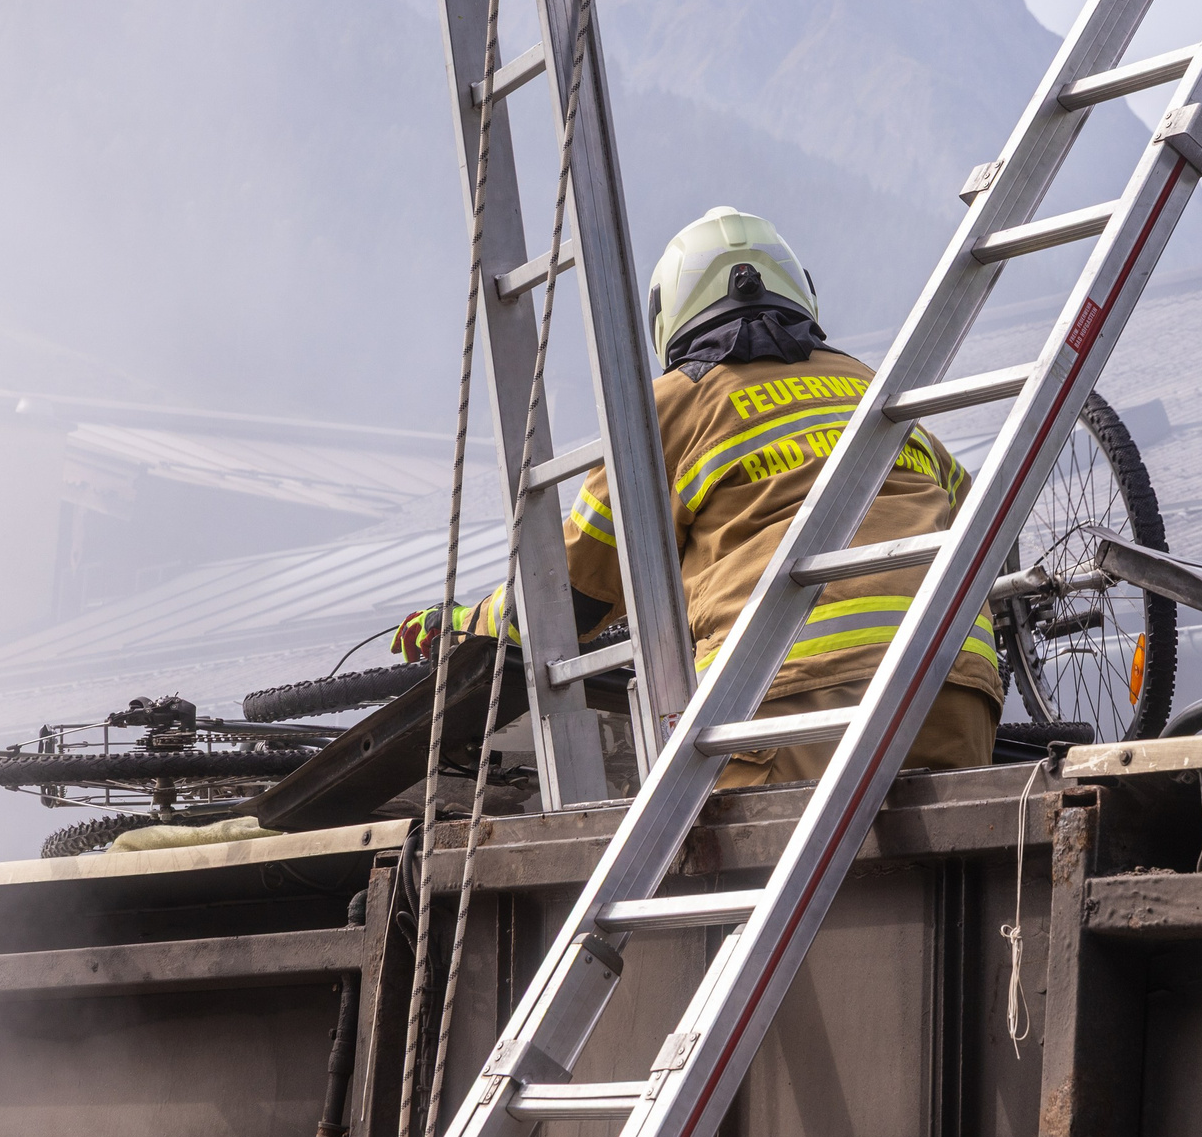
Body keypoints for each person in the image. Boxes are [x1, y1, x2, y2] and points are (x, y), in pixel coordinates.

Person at [398, 206, 1000, 788]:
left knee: (712, 866)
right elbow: (984, 527)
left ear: (670, 315)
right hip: (954, 693)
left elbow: (570, 597)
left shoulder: (668, 407)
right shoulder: (872, 389)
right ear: (799, 291)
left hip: (788, 701)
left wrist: (460, 625)